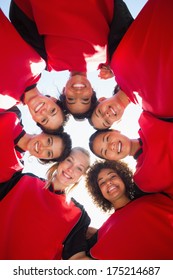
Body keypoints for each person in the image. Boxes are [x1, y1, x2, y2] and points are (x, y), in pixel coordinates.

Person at [9, 0, 133, 119]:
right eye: (85, 99)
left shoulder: (45, 62)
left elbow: (22, 21)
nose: (78, 94)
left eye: (71, 99)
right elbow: (120, 16)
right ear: (92, 91)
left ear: (64, 91)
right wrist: (117, 63)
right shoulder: (108, 58)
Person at [89, 0, 173, 129]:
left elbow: (114, 7)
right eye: (107, 122)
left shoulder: (115, 60)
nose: (106, 115)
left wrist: (109, 61)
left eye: (99, 112)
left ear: (101, 100)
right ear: (118, 122)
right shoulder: (156, 112)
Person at [0, 147, 91, 260]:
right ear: (60, 160)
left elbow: (76, 257)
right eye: (69, 160)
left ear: (81, 177)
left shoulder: (79, 215)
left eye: (79, 168)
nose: (71, 169)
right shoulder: (24, 180)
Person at [83, 160, 173, 260]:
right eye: (102, 182)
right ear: (99, 192)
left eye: (112, 176)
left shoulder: (155, 197)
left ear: (123, 178)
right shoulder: (102, 235)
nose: (108, 182)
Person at [0, 9, 67, 133]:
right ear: (52, 99)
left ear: (34, 119)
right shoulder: (38, 61)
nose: (44, 112)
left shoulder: (2, 105)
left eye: (44, 120)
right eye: (52, 110)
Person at [89, 111, 173, 198]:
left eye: (107, 138)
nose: (111, 146)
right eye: (105, 152)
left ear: (115, 131)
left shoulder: (148, 121)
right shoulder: (142, 180)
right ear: (111, 159)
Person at [0, 111, 72, 183]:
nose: (43, 148)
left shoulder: (14, 172)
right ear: (45, 132)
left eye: (49, 153)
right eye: (49, 141)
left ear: (45, 159)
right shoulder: (11, 113)